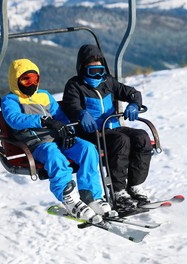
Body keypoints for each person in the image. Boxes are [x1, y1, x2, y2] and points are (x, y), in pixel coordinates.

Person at [1, 58, 117, 223]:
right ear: (16, 81)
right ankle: (69, 198)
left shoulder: (44, 95)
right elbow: (14, 119)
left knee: (88, 149)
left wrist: (67, 131)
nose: (31, 84)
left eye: (35, 79)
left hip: (59, 138)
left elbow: (60, 116)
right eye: (26, 80)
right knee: (55, 157)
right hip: (38, 143)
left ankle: (91, 196)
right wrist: (42, 120)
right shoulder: (11, 100)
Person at [62, 44, 153, 209]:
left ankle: (135, 186)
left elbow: (132, 93)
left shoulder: (108, 82)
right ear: (82, 69)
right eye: (92, 71)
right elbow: (71, 105)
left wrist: (134, 103)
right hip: (92, 133)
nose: (97, 75)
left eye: (100, 70)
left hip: (112, 127)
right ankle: (118, 192)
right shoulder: (75, 86)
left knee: (142, 137)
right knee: (121, 141)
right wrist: (81, 114)